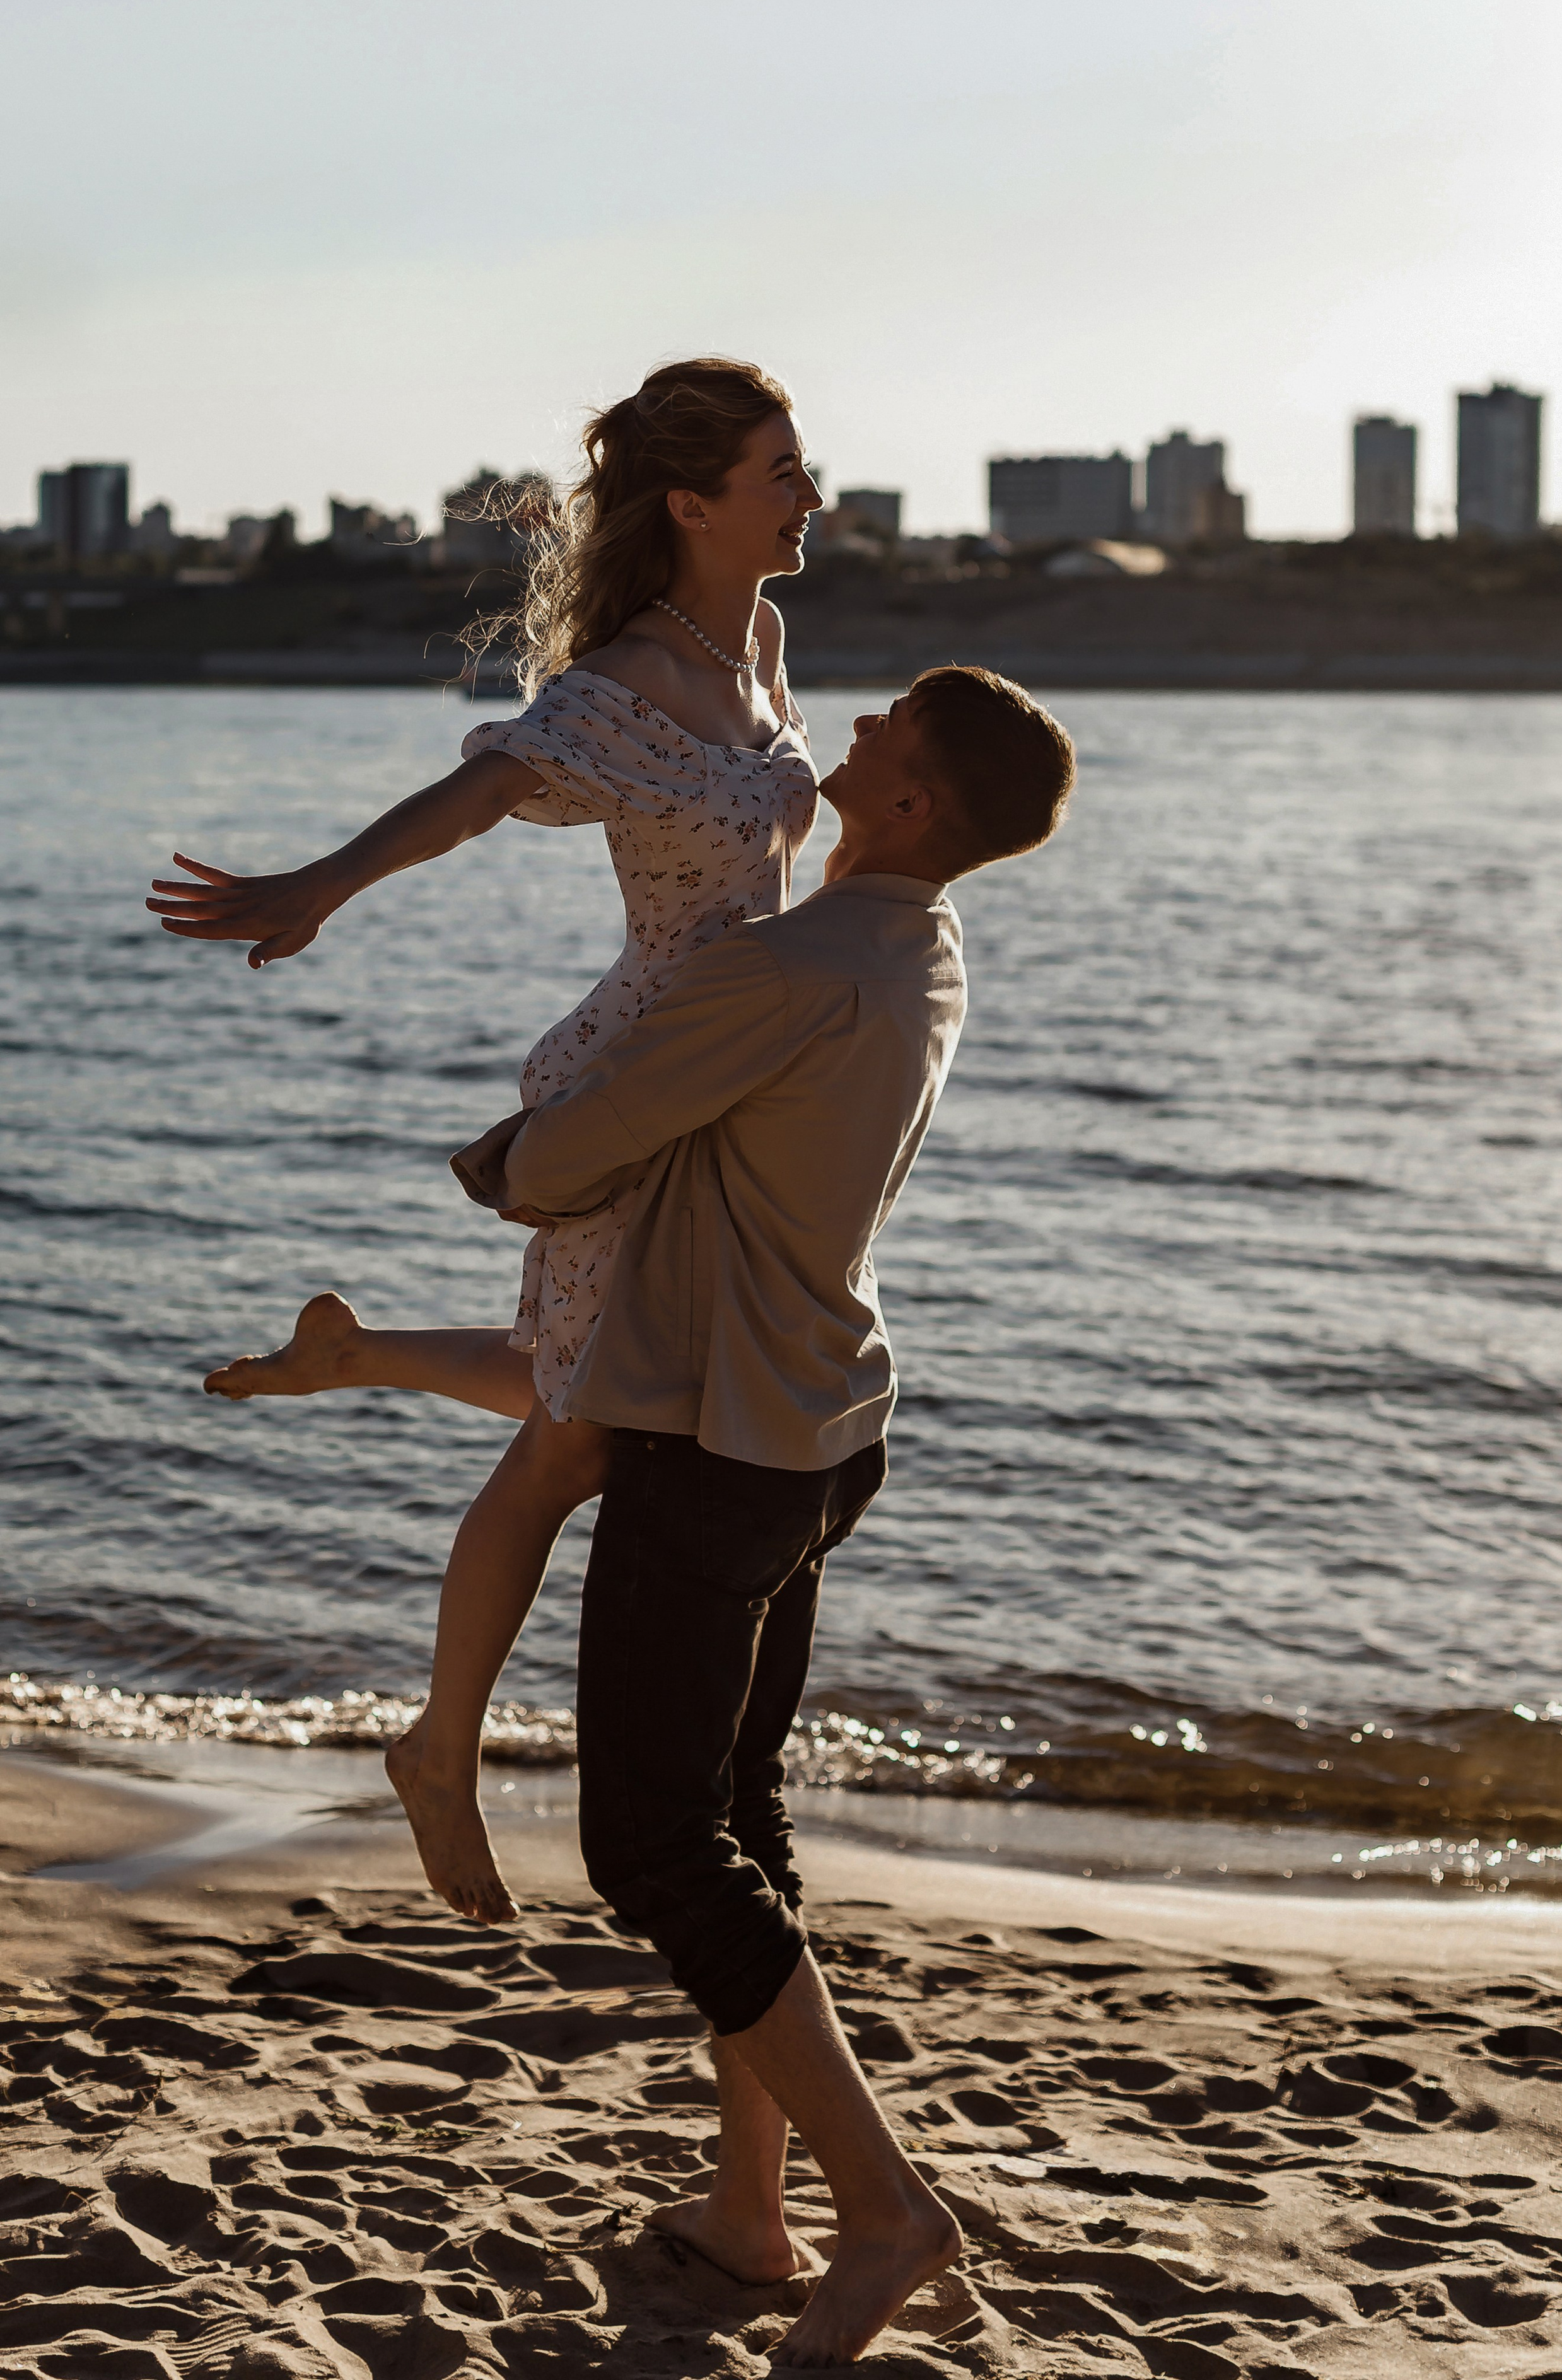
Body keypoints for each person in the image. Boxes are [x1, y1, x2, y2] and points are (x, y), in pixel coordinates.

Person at [453, 663, 1075, 2367]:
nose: (849, 736)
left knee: (650, 1845)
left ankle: (884, 2206)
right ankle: (754, 2208)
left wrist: (496, 1164)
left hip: (716, 1438)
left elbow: (585, 1148)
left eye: (880, 739)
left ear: (916, 804)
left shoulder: (791, 965)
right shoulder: (921, 949)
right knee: (734, 1816)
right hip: (821, 1426)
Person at [147, 357, 824, 1922]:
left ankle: (355, 1355)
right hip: (644, 1086)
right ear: (693, 501)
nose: (812, 496)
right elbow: (476, 796)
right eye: (783, 470)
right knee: (580, 1434)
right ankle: (437, 1752)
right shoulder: (621, 688)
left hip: (741, 1084)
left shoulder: (764, 642)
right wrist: (317, 885)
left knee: (623, 1381)